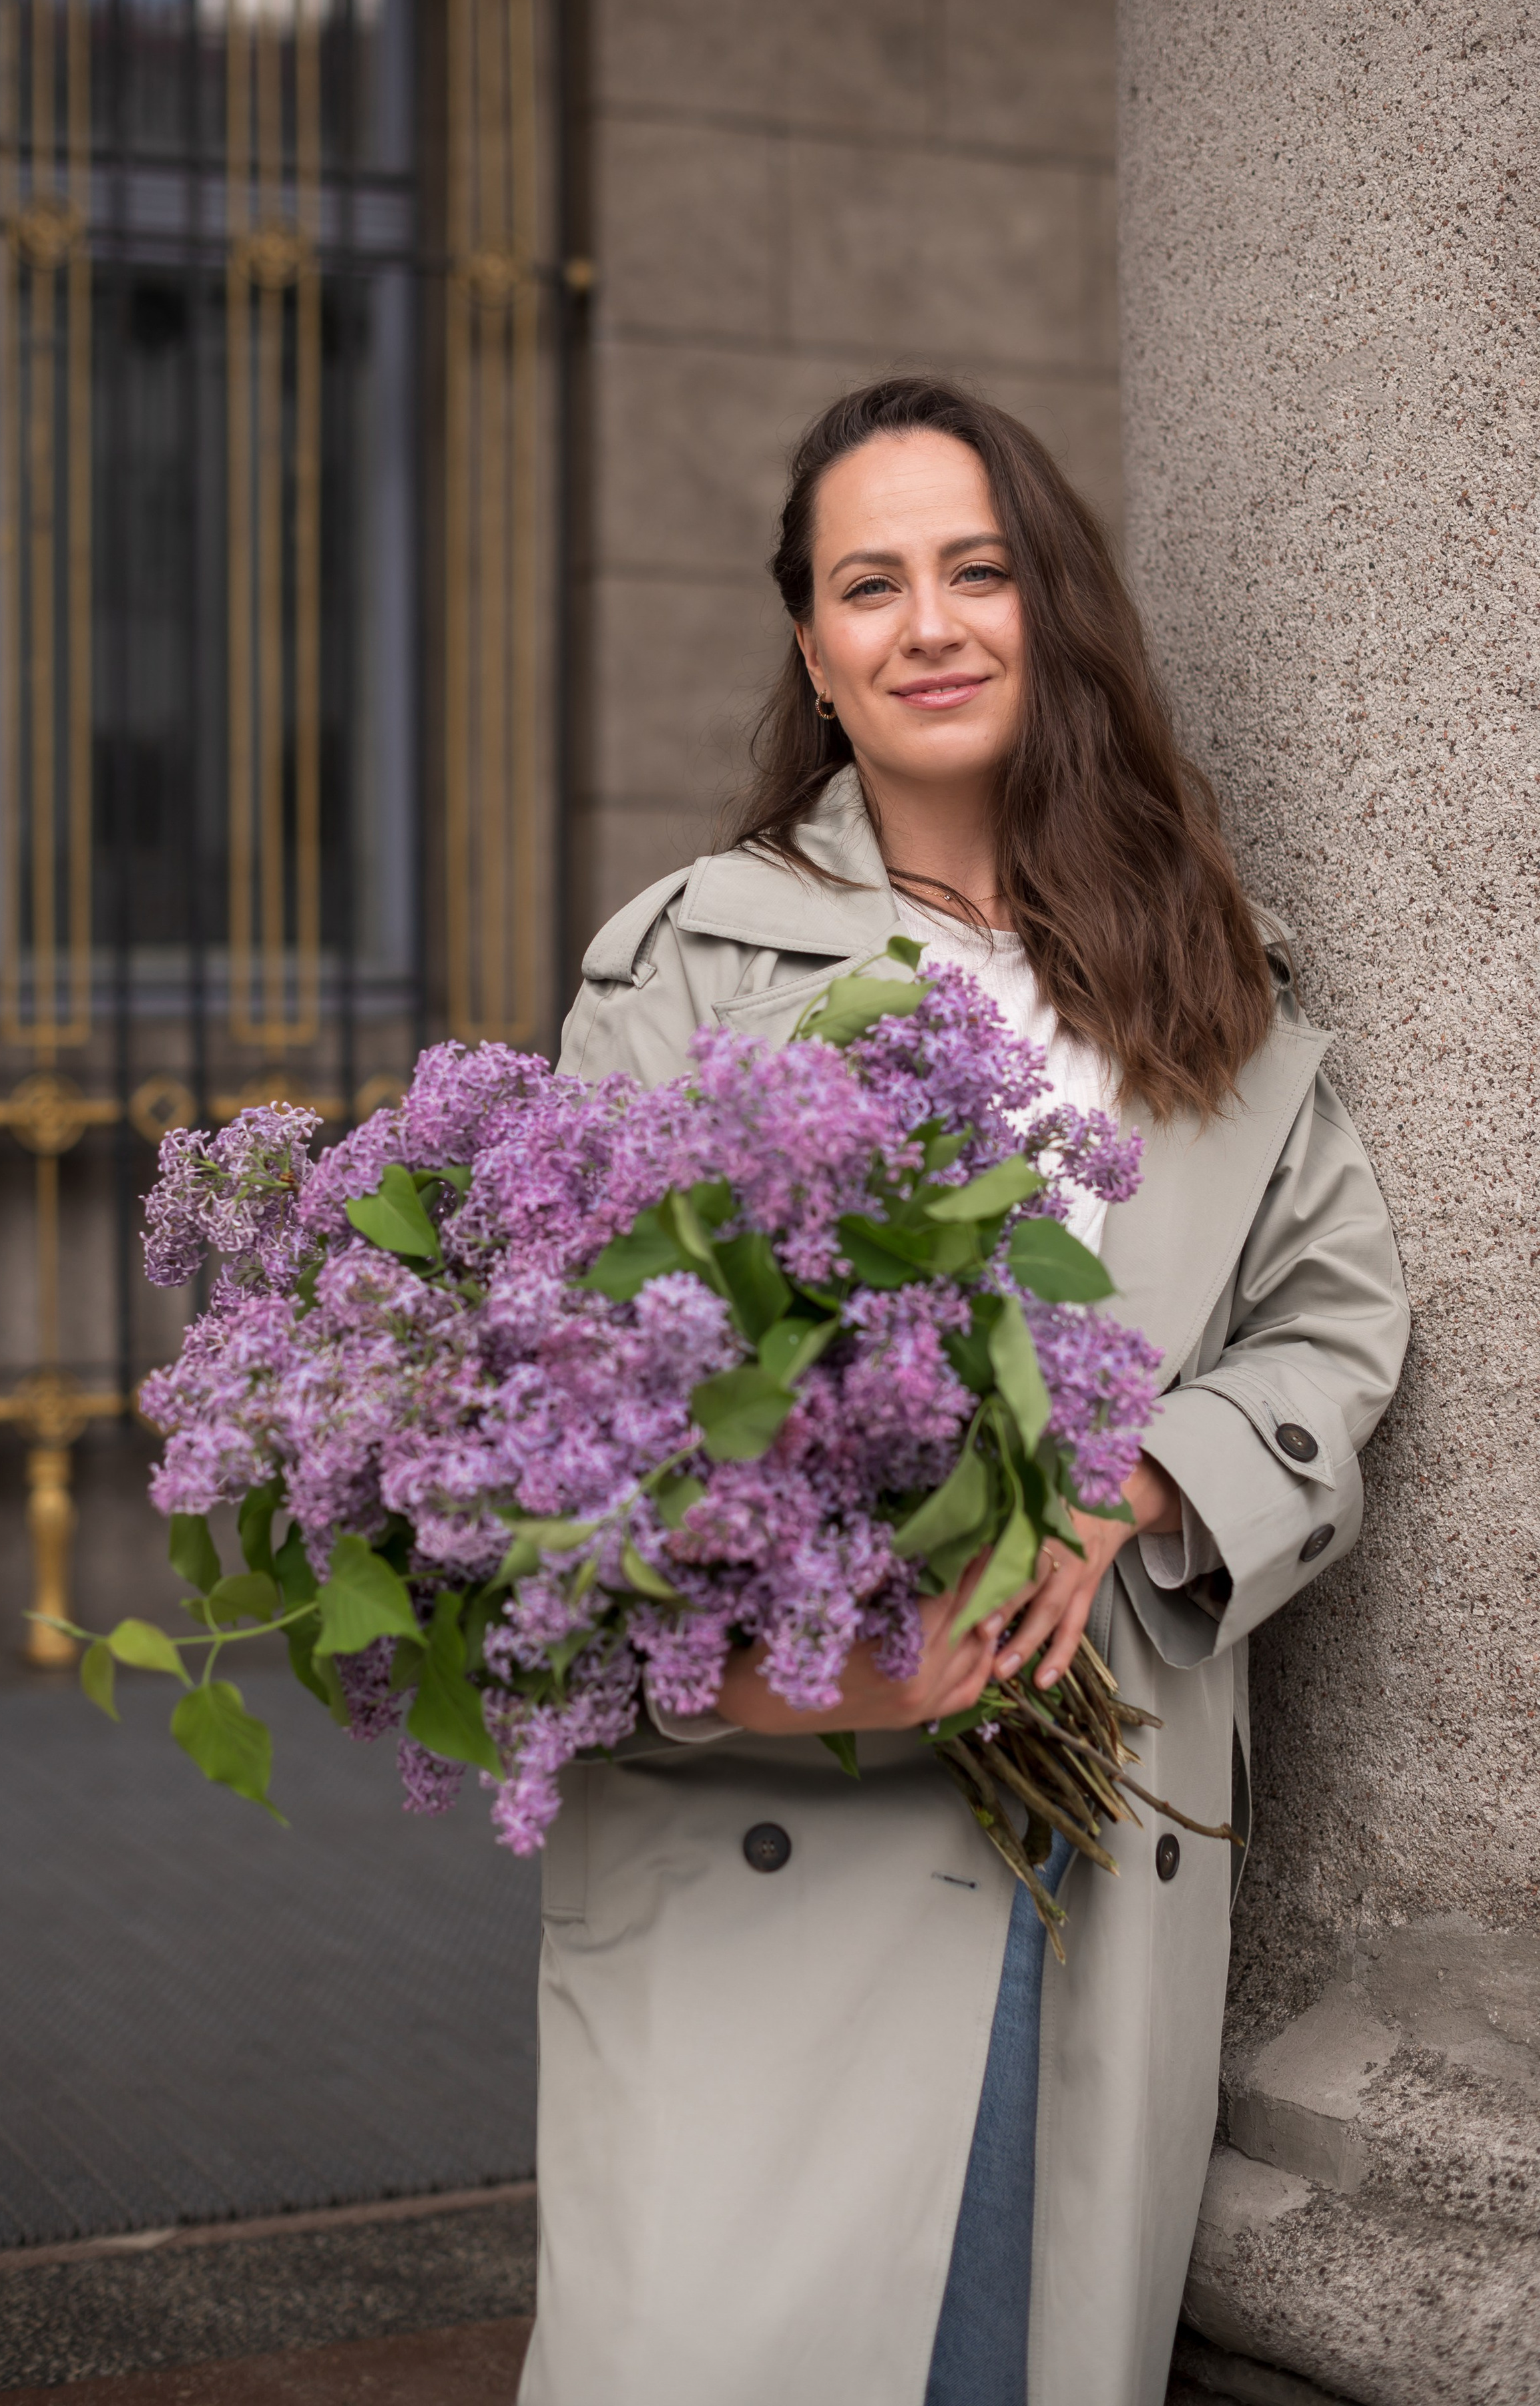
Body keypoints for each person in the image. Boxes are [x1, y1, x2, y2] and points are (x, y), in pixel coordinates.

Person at [518, 377, 1408, 2406]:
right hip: (793, 1799)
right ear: (816, 660)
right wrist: (847, 1578)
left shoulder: (1213, 972)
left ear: (1053, 608)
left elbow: (1333, 1320)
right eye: (869, 583)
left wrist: (1136, 1493)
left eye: (977, 568)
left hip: (1095, 1824)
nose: (930, 621)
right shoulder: (687, 964)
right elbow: (588, 1372)